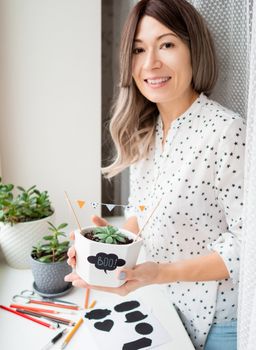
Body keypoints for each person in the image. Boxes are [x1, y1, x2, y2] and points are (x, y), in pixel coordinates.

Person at [65, 1, 246, 349]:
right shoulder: (146, 133)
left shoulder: (225, 131)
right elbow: (141, 215)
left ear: (194, 49)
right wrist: (110, 243)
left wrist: (160, 272)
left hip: (218, 325)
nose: (150, 64)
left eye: (166, 44)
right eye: (138, 49)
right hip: (164, 306)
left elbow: (248, 246)